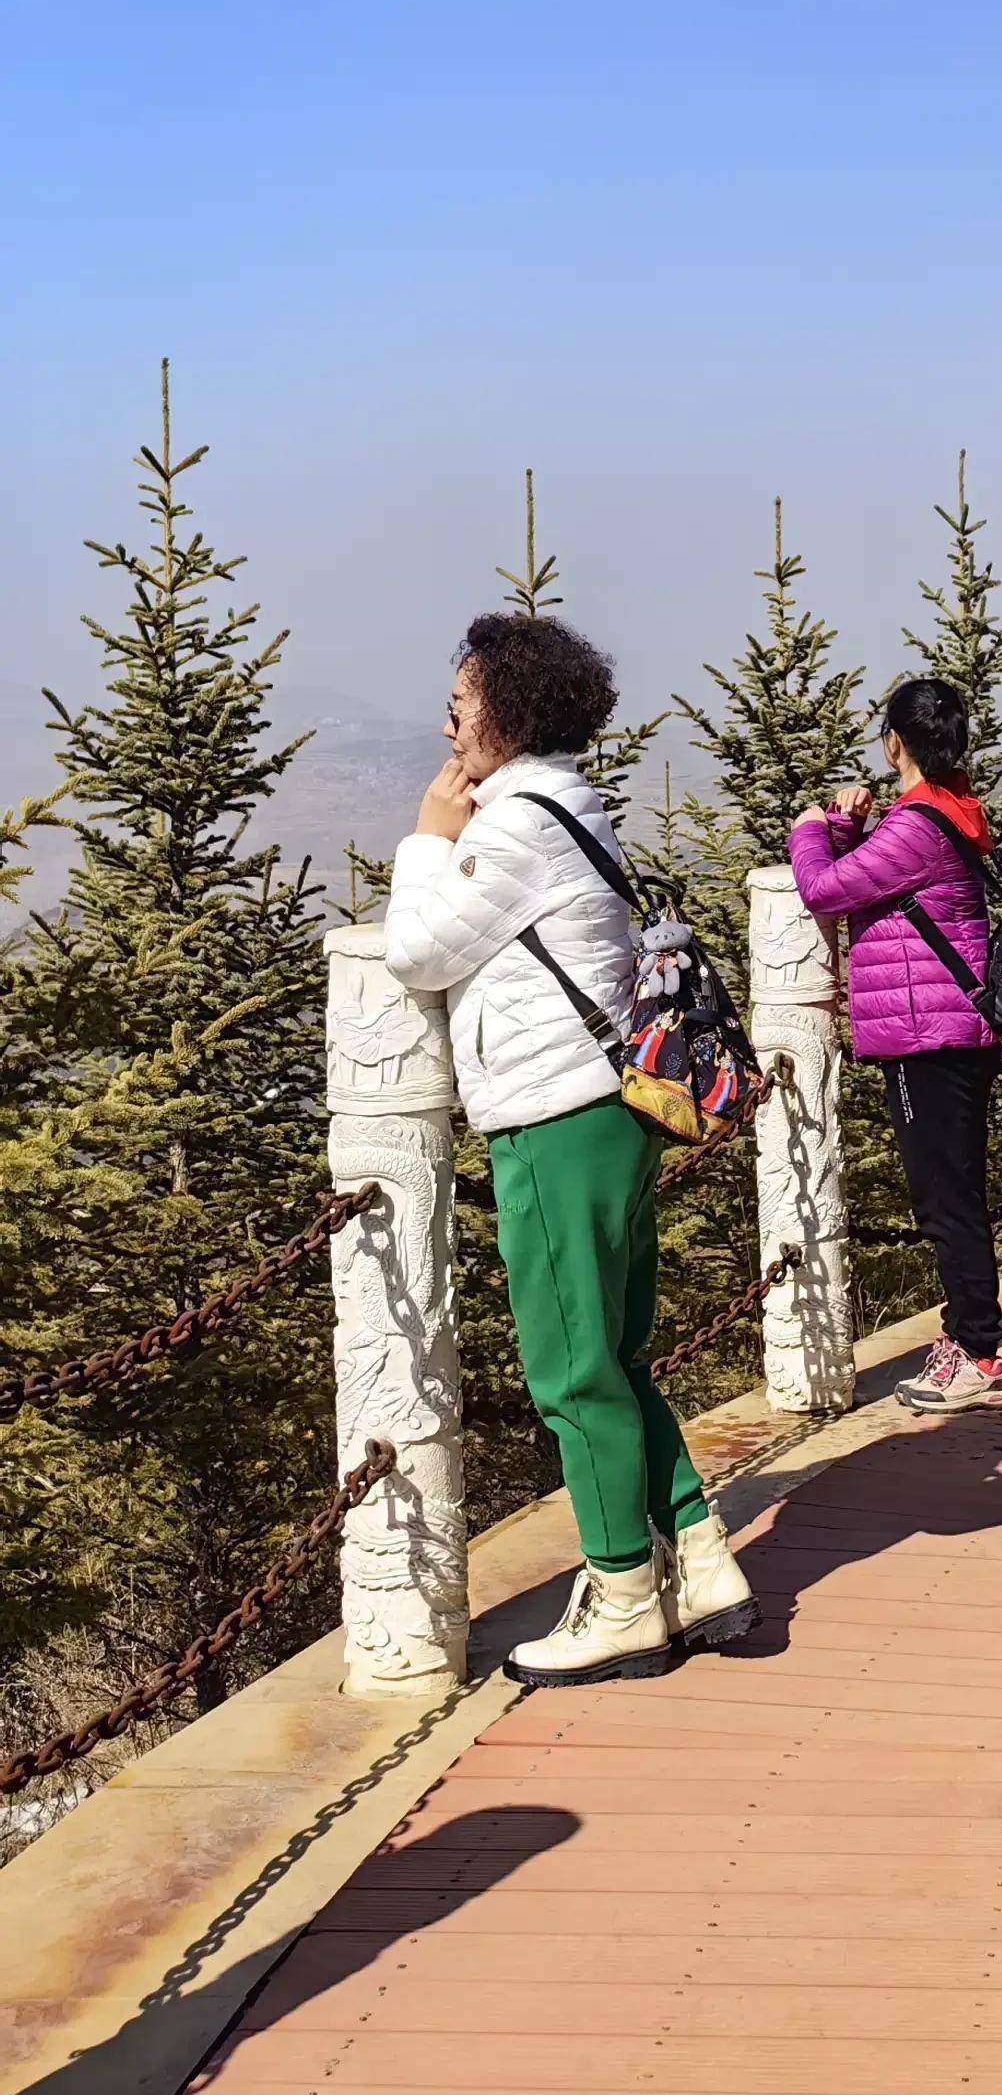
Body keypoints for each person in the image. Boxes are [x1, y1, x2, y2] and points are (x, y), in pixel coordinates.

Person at [382, 608, 757, 1684]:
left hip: (553, 1114)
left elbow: (415, 950)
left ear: (503, 709)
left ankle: (621, 1591)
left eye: (458, 706)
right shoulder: (564, 805)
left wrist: (424, 835)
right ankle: (698, 1552)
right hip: (607, 1109)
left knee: (572, 1369)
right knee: (618, 1353)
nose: (449, 727)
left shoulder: (512, 828)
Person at [789, 676, 1002, 1417]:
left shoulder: (918, 824)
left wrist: (810, 826)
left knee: (946, 1201)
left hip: (930, 1037)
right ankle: (967, 1340)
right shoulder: (942, 812)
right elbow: (871, 885)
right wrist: (851, 829)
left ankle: (978, 1354)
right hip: (949, 1030)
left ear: (894, 743)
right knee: (955, 1193)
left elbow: (823, 890)